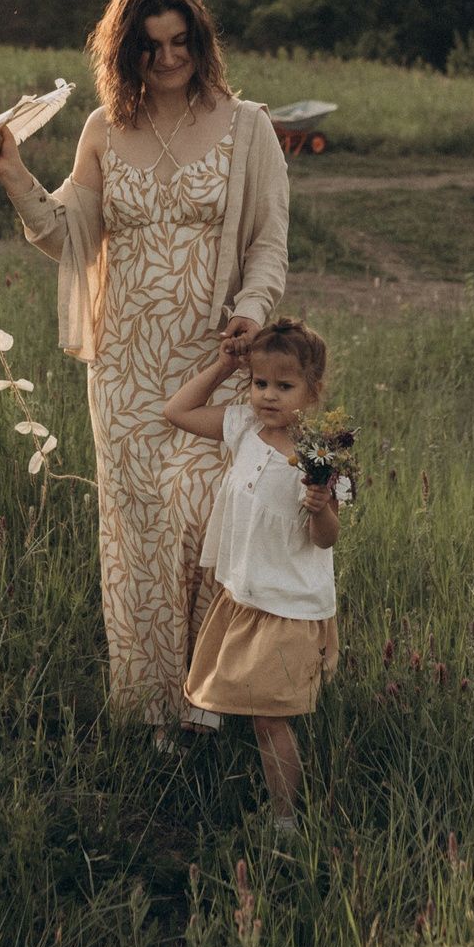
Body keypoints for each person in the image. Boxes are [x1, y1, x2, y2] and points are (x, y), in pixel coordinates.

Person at [0, 0, 290, 746]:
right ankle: (153, 713)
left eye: (182, 41)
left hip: (210, 363)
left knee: (209, 519)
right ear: (126, 53)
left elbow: (269, 246)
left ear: (201, 40)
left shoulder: (248, 128)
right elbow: (64, 234)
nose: (170, 57)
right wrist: (12, 169)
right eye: (150, 47)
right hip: (123, 368)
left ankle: (211, 699)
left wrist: (251, 314)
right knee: (140, 534)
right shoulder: (103, 130)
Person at [163, 319, 341, 836]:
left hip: (289, 606)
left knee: (269, 717)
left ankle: (285, 820)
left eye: (284, 386)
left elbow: (327, 539)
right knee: (254, 709)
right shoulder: (242, 426)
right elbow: (176, 411)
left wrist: (320, 504)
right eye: (259, 382)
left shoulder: (319, 455)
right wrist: (226, 363)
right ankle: (249, 783)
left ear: (312, 391)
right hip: (245, 596)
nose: (268, 396)